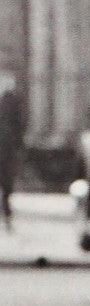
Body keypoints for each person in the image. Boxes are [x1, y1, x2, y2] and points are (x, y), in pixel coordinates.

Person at [0, 64, 25, 231]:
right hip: (7, 145)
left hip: (7, 146)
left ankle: (7, 214)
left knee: (7, 182)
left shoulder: (12, 100)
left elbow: (19, 124)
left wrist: (18, 144)